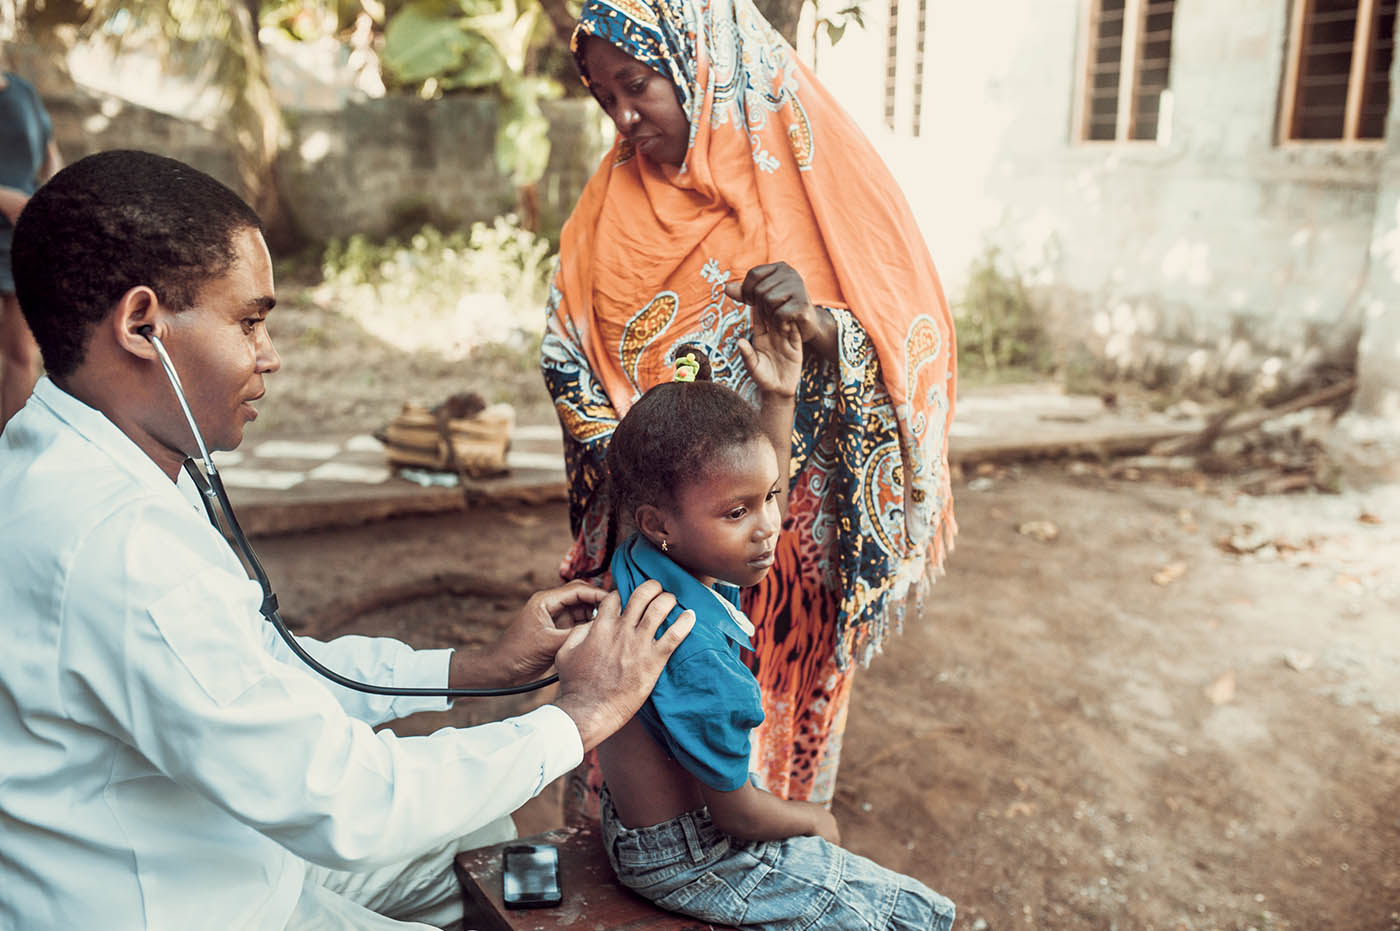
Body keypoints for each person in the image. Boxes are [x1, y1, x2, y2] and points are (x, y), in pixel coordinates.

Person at [0, 149, 695, 931]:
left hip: (226, 848)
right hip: (188, 905)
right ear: (140, 325)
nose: (270, 355)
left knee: (479, 840)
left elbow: (265, 673)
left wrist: (472, 668)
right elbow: (350, 801)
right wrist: (579, 715)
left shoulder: (76, 451)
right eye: (249, 320)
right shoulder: (118, 544)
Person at [541, 0, 957, 807]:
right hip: (659, 553)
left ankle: (770, 852)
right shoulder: (607, 211)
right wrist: (649, 461)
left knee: (764, 774)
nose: (625, 118)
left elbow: (912, 340)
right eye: (605, 100)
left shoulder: (814, 182)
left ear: (700, 65)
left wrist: (821, 328)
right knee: (642, 782)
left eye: (637, 87)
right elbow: (566, 355)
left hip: (786, 557)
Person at [593, 342, 956, 930]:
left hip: (634, 824)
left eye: (769, 500)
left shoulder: (648, 557)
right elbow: (738, 817)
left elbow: (749, 482)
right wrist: (813, 818)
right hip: (687, 857)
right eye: (738, 514)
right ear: (662, 524)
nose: (769, 526)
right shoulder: (697, 653)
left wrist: (778, 398)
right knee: (896, 920)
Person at [0, 48, 61, 430]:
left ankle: (7, 460)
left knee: (23, 354)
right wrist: (6, 199)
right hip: (11, 214)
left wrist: (54, 194)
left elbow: (50, 154)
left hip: (22, 237)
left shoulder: (22, 91)